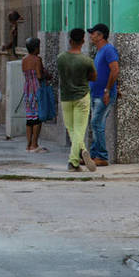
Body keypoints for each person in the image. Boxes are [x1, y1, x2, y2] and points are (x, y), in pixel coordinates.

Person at [57, 27, 98, 172]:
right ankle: (73, 161)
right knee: (80, 129)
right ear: (83, 41)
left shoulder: (61, 58)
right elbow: (94, 77)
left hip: (66, 97)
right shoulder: (86, 60)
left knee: (71, 129)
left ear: (69, 41)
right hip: (82, 96)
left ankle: (81, 151)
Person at [87, 24, 120, 167]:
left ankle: (101, 156)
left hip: (103, 95)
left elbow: (115, 70)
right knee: (95, 124)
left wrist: (108, 90)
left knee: (97, 123)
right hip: (96, 93)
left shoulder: (108, 50)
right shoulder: (99, 51)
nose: (91, 36)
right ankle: (94, 155)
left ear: (100, 35)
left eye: (93, 33)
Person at [22, 37, 48, 153]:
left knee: (29, 117)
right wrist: (46, 74)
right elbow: (39, 75)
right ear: (35, 48)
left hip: (27, 89)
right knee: (37, 117)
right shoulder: (37, 59)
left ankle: (28, 145)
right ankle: (35, 144)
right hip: (36, 89)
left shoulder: (24, 59)